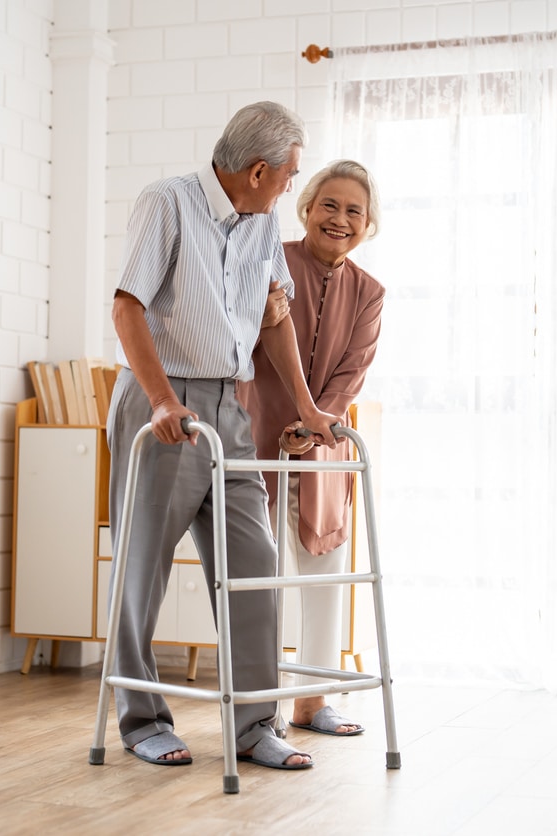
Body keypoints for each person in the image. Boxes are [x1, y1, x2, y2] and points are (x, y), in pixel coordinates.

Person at [106, 101, 340, 771]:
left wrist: (307, 405)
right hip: (164, 401)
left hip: (228, 410)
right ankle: (142, 718)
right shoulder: (168, 203)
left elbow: (274, 316)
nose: (293, 186)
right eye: (291, 175)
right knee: (142, 564)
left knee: (253, 564)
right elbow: (128, 308)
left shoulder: (262, 222)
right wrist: (159, 400)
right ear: (260, 170)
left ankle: (254, 725)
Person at [238, 160, 385, 738]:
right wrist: (293, 416)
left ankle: (312, 701)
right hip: (255, 435)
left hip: (324, 448)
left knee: (324, 575)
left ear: (368, 224)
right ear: (307, 209)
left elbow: (353, 371)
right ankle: (260, 708)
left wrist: (317, 420)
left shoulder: (370, 292)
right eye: (330, 205)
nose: (340, 219)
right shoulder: (271, 258)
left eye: (354, 211)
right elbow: (247, 335)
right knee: (261, 578)